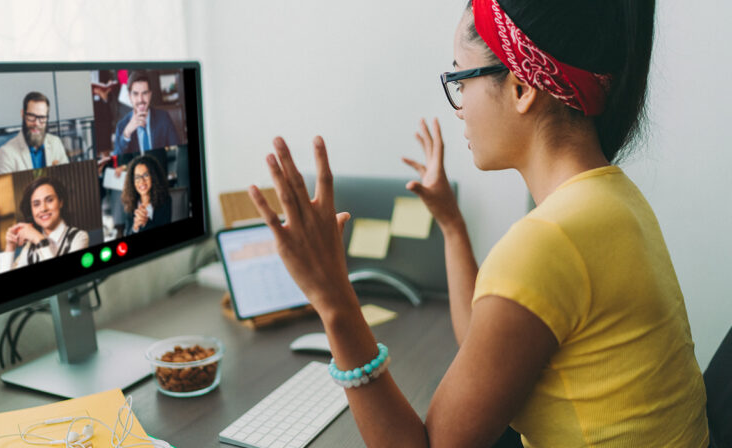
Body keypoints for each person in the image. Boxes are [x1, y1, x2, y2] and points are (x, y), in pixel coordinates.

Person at [247, 1, 710, 446]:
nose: (458, 105)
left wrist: (333, 300)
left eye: (460, 77)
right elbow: (485, 349)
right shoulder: (613, 199)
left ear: (522, 88)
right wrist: (450, 222)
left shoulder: (548, 242)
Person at [0, 177, 88, 273]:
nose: (43, 209)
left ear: (61, 202)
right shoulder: (30, 247)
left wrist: (39, 240)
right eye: (36, 204)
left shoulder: (79, 237)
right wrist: (10, 246)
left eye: (49, 200)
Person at [112, 70, 178, 170]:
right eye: (135, 94)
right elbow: (118, 164)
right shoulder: (122, 126)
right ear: (129, 97)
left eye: (144, 93)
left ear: (150, 94)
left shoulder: (164, 118)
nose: (140, 99)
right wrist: (127, 133)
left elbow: (177, 151)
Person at [0, 92, 69, 175]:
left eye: (42, 117)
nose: (36, 123)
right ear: (23, 114)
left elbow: (66, 177)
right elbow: (5, 188)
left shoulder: (56, 143)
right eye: (31, 116)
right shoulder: (6, 153)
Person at [121, 155, 172, 235]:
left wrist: (146, 223)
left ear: (154, 177)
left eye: (146, 175)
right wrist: (135, 227)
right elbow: (127, 233)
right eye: (137, 177)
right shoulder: (130, 203)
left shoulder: (165, 200)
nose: (141, 181)